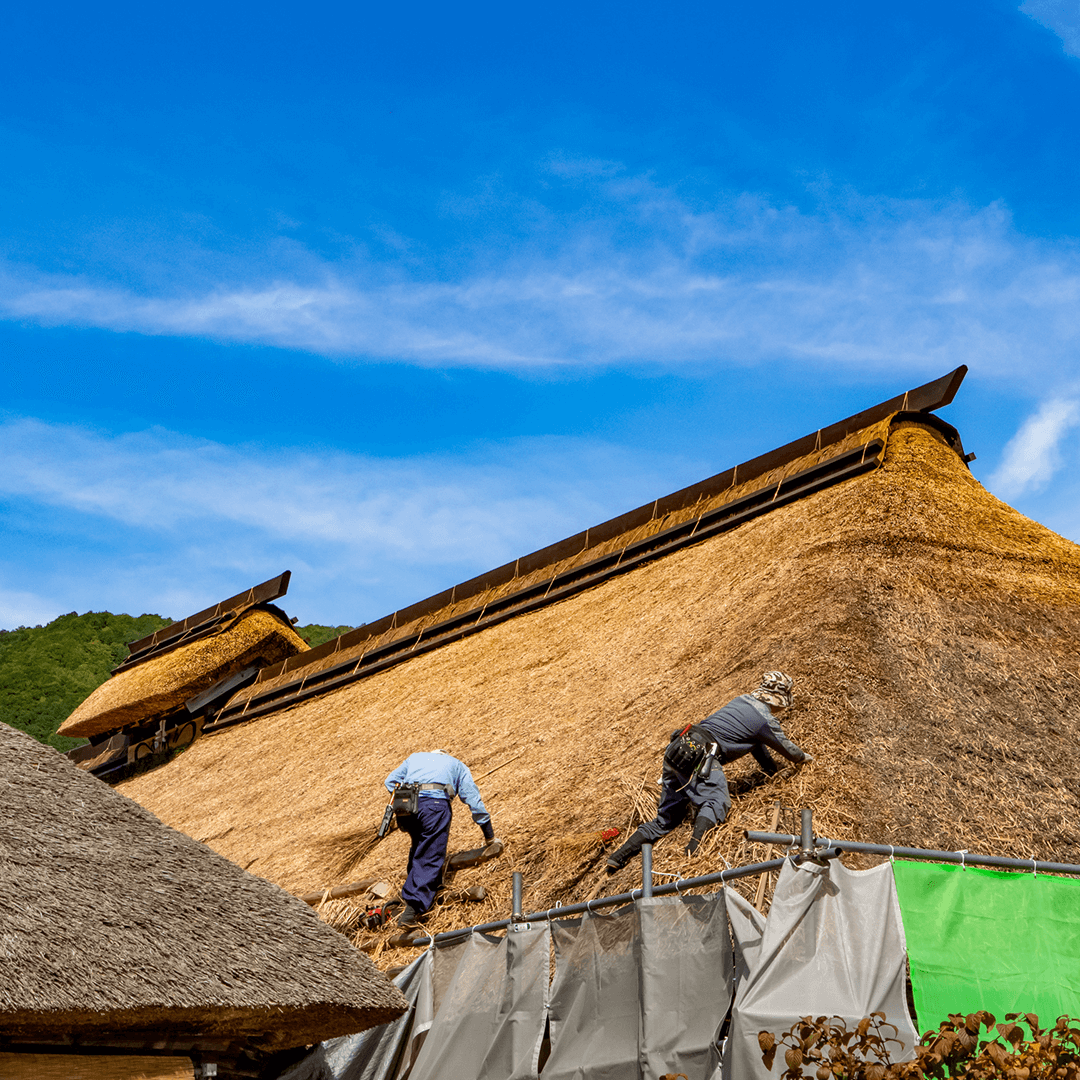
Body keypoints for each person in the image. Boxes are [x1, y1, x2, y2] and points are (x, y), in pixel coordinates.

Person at [606, 671, 813, 872]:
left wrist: (770, 769)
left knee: (665, 820)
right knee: (715, 801)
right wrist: (807, 759)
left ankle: (618, 856)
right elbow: (789, 750)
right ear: (778, 700)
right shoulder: (765, 720)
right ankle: (693, 853)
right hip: (701, 755)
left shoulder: (741, 701)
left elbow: (757, 745)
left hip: (679, 747)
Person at [384, 749, 497, 926]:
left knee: (419, 847)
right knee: (430, 855)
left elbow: (390, 781)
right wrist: (489, 835)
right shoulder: (457, 765)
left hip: (407, 810)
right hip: (434, 807)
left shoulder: (415, 757)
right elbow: (473, 799)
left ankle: (408, 894)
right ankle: (412, 910)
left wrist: (408, 798)